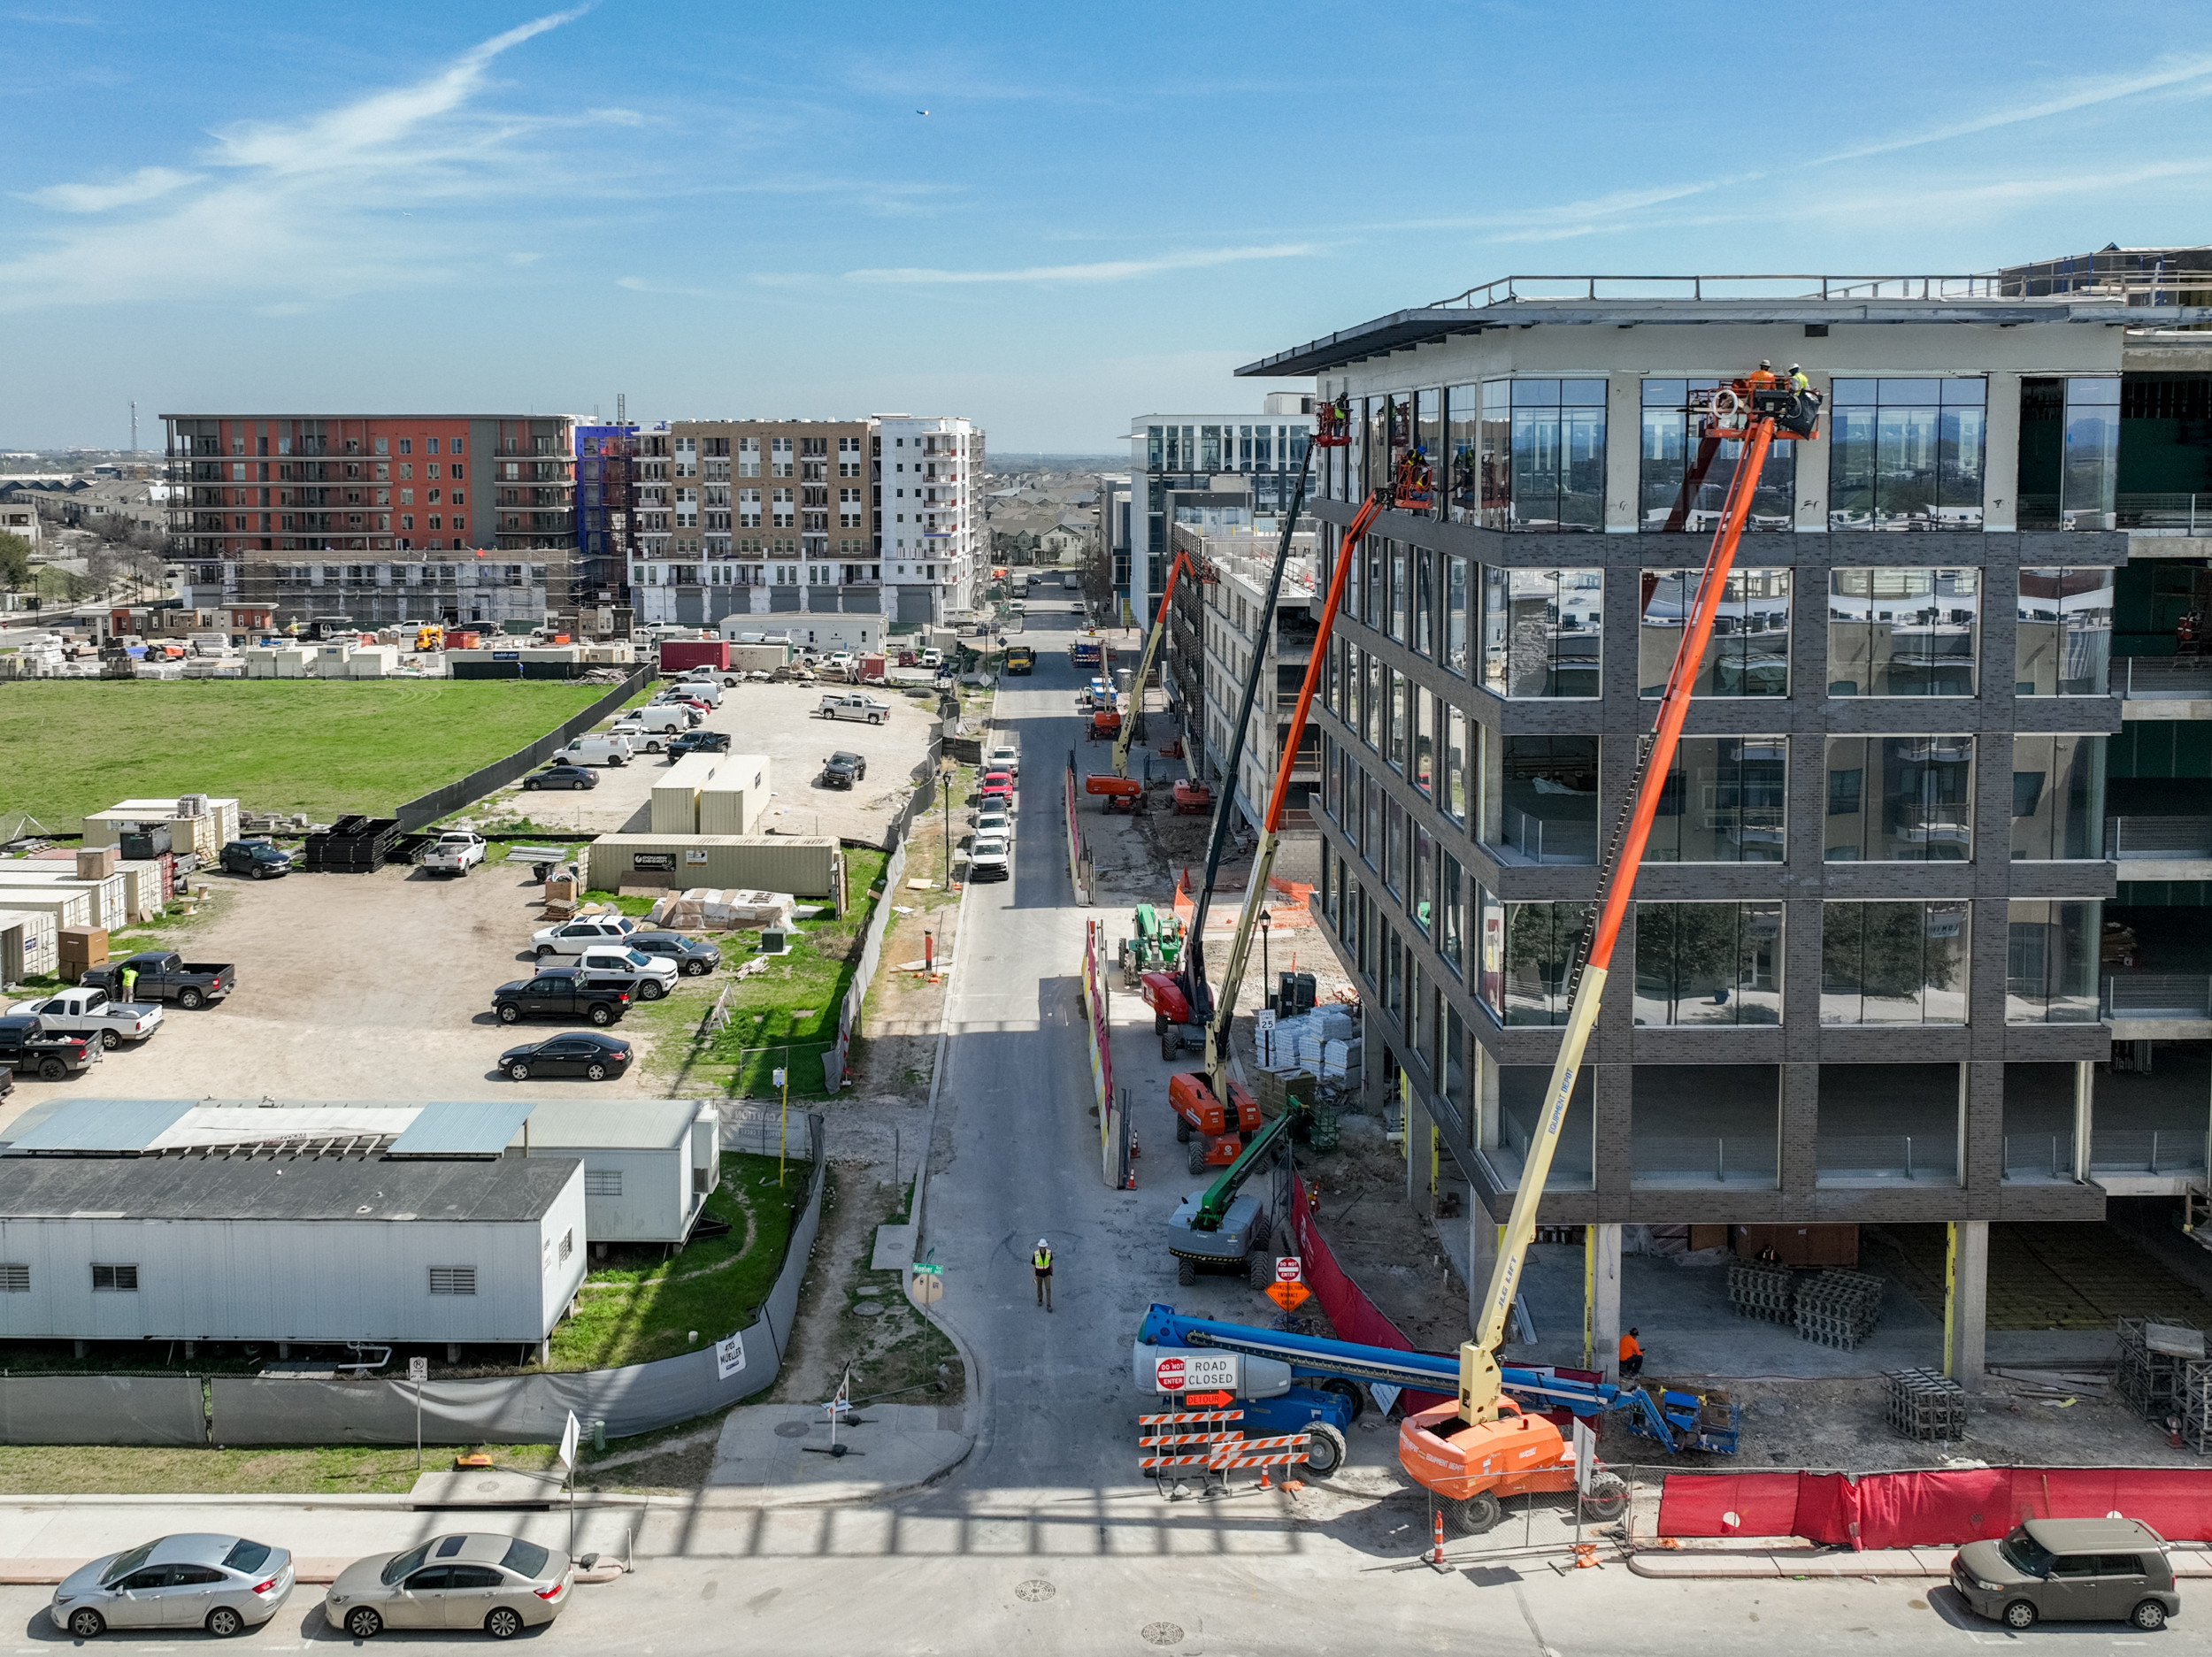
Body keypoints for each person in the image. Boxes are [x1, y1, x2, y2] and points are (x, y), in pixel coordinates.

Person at [1033, 1239, 1054, 1311]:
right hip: (1039, 1273)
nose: (1043, 1248)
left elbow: (1050, 1261)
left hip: (1047, 1273)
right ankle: (1040, 1299)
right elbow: (1033, 1265)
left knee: (1048, 1288)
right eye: (1042, 1247)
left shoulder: (1049, 1252)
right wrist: (1034, 1275)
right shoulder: (1036, 1254)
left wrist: (1051, 1269)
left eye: (1044, 1247)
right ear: (1039, 1247)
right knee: (1039, 1287)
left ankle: (1049, 1304)